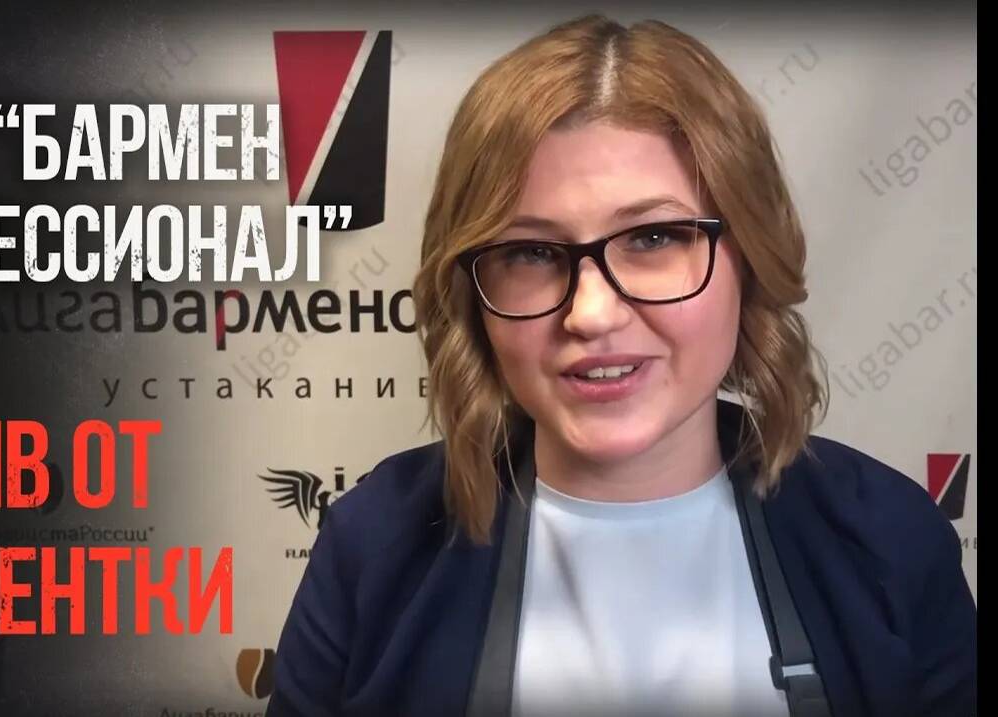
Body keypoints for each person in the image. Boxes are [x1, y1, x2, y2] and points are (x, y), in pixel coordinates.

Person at [265, 14, 976, 717]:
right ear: (473, 295)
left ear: (751, 260)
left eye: (653, 238)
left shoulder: (889, 537)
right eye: (531, 253)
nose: (591, 313)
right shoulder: (373, 543)